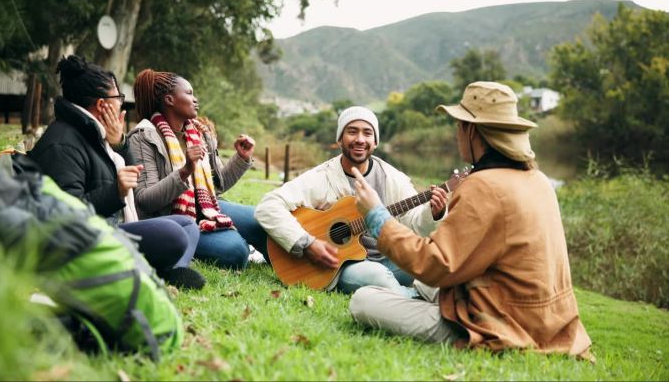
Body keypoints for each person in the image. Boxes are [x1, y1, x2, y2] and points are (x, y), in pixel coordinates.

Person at [348, 82, 593, 359]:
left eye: (459, 125)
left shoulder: (483, 186)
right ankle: (412, 299)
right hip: (548, 322)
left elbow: (432, 264)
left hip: (501, 325)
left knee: (363, 301)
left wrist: (376, 214)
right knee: (424, 287)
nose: (456, 133)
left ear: (472, 130)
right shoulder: (539, 181)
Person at [29, 55, 204, 289]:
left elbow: (135, 175)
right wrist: (115, 191)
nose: (121, 103)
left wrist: (121, 143)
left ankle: (165, 275)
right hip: (86, 242)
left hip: (111, 228)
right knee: (174, 235)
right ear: (102, 105)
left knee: (188, 225)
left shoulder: (96, 135)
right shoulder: (63, 144)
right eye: (118, 97)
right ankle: (152, 276)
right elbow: (65, 216)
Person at [254, 106, 447, 295]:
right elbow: (268, 206)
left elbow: (414, 224)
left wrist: (433, 212)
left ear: (375, 141)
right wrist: (308, 244)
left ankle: (416, 294)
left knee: (431, 261)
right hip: (343, 265)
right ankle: (409, 298)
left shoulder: (392, 177)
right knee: (377, 276)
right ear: (339, 139)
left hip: (388, 257)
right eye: (352, 132)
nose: (360, 139)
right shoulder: (322, 176)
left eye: (367, 133)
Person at [128, 68, 267, 270]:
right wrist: (185, 170)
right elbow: (145, 201)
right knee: (236, 251)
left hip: (205, 208)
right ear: (169, 100)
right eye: (189, 93)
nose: (195, 99)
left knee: (260, 220)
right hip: (171, 220)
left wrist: (241, 158)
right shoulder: (143, 137)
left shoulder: (197, 133)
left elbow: (217, 187)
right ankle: (231, 247)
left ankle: (297, 269)